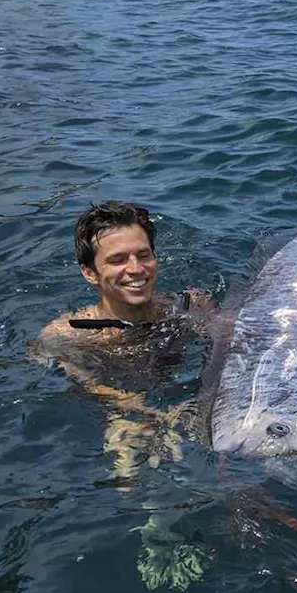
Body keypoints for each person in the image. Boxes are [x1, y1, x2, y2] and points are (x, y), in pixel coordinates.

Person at [33, 202, 215, 477]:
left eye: (144, 255)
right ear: (89, 273)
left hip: (186, 401)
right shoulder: (68, 334)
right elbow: (87, 382)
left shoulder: (192, 306)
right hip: (120, 413)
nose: (136, 269)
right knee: (129, 473)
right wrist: (141, 415)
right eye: (117, 260)